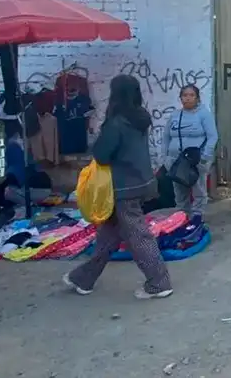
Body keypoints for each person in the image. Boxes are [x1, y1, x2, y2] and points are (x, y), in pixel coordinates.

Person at [63, 74, 173, 299]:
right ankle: (84, 278)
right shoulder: (141, 117)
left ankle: (159, 282)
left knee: (138, 235)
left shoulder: (117, 122)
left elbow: (102, 154)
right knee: (108, 236)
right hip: (139, 182)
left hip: (123, 188)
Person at [161, 84, 218, 223]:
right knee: (180, 192)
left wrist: (205, 158)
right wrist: (166, 158)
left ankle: (197, 218)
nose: (188, 98)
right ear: (180, 98)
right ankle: (182, 218)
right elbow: (166, 137)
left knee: (198, 190)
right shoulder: (175, 115)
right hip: (176, 161)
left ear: (197, 98)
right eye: (185, 95)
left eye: (191, 95)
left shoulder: (203, 114)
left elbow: (212, 136)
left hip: (195, 161)